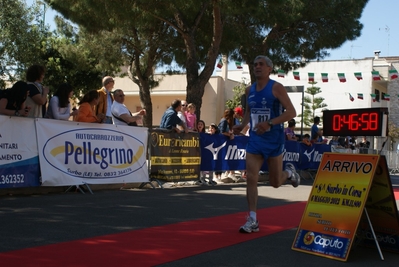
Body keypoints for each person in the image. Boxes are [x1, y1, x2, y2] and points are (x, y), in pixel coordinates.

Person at [232, 55, 300, 234]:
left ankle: (289, 173)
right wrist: (243, 125)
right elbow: (249, 111)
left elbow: (292, 112)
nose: (257, 67)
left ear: (269, 68)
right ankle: (252, 219)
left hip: (274, 140)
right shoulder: (249, 90)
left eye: (261, 64)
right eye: (255, 64)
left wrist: (270, 123)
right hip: (255, 140)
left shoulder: (276, 88)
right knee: (251, 178)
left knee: (275, 182)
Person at [218, 108, 237, 183]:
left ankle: (228, 172)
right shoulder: (224, 121)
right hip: (221, 142)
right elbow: (222, 131)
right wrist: (230, 134)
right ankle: (220, 175)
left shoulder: (228, 122)